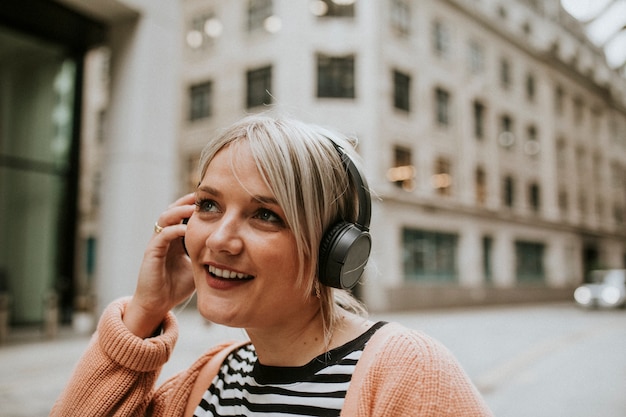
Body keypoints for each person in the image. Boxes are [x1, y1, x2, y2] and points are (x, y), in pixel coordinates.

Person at [51, 114, 493, 416]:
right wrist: (145, 312)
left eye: (266, 215)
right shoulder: (210, 378)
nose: (220, 239)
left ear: (335, 249)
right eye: (208, 205)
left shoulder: (409, 372)